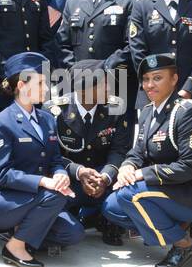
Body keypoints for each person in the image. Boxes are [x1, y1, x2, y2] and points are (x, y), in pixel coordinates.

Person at [103, 54, 192, 267]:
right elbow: (138, 151)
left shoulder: (186, 111)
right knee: (112, 206)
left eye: (157, 78)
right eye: (146, 79)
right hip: (172, 188)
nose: (150, 85)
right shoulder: (148, 112)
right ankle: (179, 227)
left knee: (130, 195)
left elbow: (189, 167)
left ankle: (184, 245)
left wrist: (142, 174)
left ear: (174, 79)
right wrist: (127, 167)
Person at [0, 52, 86, 267]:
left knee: (73, 233)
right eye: (40, 83)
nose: (46, 89)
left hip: (37, 198)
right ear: (21, 85)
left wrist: (60, 174)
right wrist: (45, 182)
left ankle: (21, 230)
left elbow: (55, 159)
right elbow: (3, 174)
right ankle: (15, 246)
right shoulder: (1, 122)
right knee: (57, 196)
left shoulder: (47, 118)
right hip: (5, 199)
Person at [52, 59, 133, 245]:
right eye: (104, 83)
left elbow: (120, 150)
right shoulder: (56, 110)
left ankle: (108, 219)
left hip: (104, 178)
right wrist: (79, 172)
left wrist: (105, 177)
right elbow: (52, 155)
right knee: (50, 200)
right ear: (84, 89)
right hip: (70, 179)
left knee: (125, 195)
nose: (110, 87)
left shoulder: (116, 108)